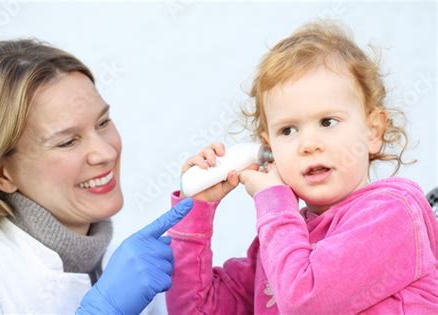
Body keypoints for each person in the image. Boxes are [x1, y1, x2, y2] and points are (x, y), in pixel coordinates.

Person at [165, 21, 438, 314]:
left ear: (372, 131)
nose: (308, 144)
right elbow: (195, 309)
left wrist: (274, 204)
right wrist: (195, 211)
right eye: (288, 131)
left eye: (328, 122)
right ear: (268, 149)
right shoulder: (284, 241)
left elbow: (305, 303)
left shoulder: (393, 213)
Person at [0, 39, 193, 314]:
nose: (106, 153)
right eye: (68, 142)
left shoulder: (127, 269)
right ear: (0, 172)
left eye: (103, 123)